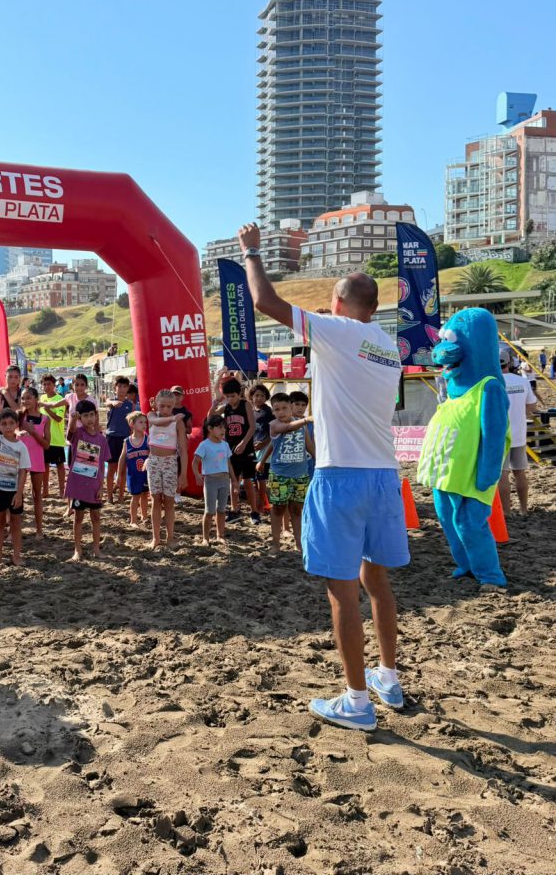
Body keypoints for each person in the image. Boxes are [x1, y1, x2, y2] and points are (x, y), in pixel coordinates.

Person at [239, 220, 409, 732]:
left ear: (336, 304)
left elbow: (265, 300)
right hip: (383, 473)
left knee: (342, 589)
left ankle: (357, 701)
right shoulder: (388, 346)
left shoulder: (336, 331)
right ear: (373, 307)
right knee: (376, 580)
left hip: (342, 474)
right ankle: (388, 677)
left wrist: (252, 252)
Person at [261, 392, 314, 552]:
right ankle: (276, 544)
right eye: (277, 409)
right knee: (278, 508)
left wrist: (319, 460)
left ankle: (299, 543)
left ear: (291, 407)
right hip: (280, 475)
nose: (281, 412)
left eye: (284, 408)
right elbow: (286, 428)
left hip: (301, 474)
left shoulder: (301, 425)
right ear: (273, 411)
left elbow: (309, 446)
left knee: (297, 509)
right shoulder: (274, 425)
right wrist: (306, 419)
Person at [0, 407, 30, 567]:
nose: (8, 426)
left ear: (16, 424)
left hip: (14, 491)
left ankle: (16, 556)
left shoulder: (21, 447)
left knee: (16, 524)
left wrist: (19, 493)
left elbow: (23, 471)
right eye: (3, 423)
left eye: (11, 423)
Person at [65, 399, 110, 561]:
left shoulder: (101, 439)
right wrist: (72, 418)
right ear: (80, 418)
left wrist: (101, 486)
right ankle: (77, 549)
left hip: (94, 485)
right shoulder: (78, 434)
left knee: (96, 517)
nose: (89, 418)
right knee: (78, 518)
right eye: (85, 416)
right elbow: (70, 432)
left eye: (92, 415)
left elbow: (102, 465)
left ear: (96, 415)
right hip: (78, 486)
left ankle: (96, 549)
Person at [209, 377, 259, 524]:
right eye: (228, 396)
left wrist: (244, 443)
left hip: (246, 447)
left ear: (239, 393)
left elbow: (252, 427)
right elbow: (210, 417)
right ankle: (234, 510)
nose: (230, 399)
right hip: (231, 448)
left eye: (233, 396)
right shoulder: (226, 407)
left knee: (248, 481)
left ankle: (254, 512)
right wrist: (216, 402)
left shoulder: (245, 404)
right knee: (233, 480)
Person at [498, 345, 536, 517]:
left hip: (500, 435)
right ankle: (523, 509)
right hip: (519, 433)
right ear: (510, 363)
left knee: (502, 474)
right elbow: (532, 407)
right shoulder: (522, 381)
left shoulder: (493, 383)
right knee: (520, 473)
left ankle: (506, 511)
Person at [146, 390, 188, 549]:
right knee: (155, 500)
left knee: (169, 501)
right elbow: (156, 422)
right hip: (154, 461)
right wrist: (172, 418)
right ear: (156, 404)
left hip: (170, 462)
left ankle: (170, 537)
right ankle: (156, 538)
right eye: (162, 405)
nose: (165, 409)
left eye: (169, 407)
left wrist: (183, 474)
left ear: (174, 405)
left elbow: (183, 450)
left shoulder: (178, 423)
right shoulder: (151, 416)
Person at [192, 416, 231, 545]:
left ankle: (220, 536)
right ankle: (206, 538)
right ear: (210, 428)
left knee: (222, 510)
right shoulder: (204, 445)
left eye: (224, 427)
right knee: (209, 511)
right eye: (219, 427)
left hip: (224, 480)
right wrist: (197, 474)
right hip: (210, 481)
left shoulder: (225, 445)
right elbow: (195, 462)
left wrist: (234, 480)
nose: (223, 430)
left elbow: (228, 463)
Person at [19, 386, 50, 538]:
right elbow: (11, 432)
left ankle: (39, 530)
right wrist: (19, 432)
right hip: (20, 459)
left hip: (37, 459)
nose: (25, 401)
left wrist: (33, 432)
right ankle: (15, 529)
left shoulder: (45, 419)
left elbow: (46, 444)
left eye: (28, 398)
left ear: (36, 399)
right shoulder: (19, 416)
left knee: (37, 494)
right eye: (23, 398)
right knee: (18, 494)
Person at [116, 411, 149, 527]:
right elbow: (122, 458)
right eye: (141, 422)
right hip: (133, 475)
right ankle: (133, 520)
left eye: (145, 422)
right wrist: (119, 475)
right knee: (135, 497)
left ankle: (144, 516)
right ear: (132, 424)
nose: (144, 424)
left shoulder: (147, 439)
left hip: (145, 474)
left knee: (145, 495)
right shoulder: (127, 441)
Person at [104, 375, 134, 502]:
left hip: (125, 439)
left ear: (128, 389)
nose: (122, 389)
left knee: (122, 469)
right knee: (111, 468)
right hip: (111, 438)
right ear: (114, 388)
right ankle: (109, 496)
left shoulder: (130, 404)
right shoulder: (111, 402)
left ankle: (121, 496)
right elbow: (106, 401)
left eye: (124, 386)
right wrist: (112, 403)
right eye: (119, 386)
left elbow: (132, 425)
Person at [39, 374, 67, 497]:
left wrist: (47, 408)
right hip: (44, 439)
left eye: (49, 384)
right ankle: (45, 490)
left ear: (54, 385)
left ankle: (61, 490)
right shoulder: (42, 397)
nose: (46, 386)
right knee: (44, 465)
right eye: (44, 384)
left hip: (56, 439)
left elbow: (59, 418)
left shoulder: (59, 399)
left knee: (60, 465)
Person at [250, 383, 273, 513]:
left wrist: (263, 443)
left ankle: (261, 505)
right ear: (251, 397)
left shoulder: (269, 412)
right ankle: (261, 503)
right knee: (254, 478)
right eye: (256, 395)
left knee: (261, 478)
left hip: (264, 450)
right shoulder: (251, 411)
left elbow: (273, 433)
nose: (259, 398)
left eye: (262, 396)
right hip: (252, 449)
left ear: (266, 397)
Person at [290, 390, 314, 480]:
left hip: (308, 462)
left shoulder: (310, 423)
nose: (300, 407)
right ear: (290, 405)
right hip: (289, 463)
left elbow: (312, 443)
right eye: (297, 404)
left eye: (303, 405)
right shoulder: (284, 422)